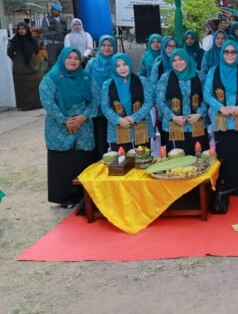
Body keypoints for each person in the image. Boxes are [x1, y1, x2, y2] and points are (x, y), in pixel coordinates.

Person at [39, 47, 97, 208]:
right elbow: (47, 102)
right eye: (69, 57)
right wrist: (66, 120)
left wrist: (83, 116)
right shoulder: (52, 78)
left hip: (83, 124)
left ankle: (82, 195)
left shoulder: (86, 76)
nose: (73, 61)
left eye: (76, 58)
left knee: (81, 159)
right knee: (63, 162)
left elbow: (95, 98)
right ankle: (64, 197)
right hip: (59, 125)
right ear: (62, 59)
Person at [203, 40, 238, 197]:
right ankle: (225, 182)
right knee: (224, 152)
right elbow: (207, 94)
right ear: (222, 53)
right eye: (227, 52)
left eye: (233, 52)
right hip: (221, 119)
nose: (230, 55)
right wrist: (222, 108)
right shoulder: (214, 71)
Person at [156, 48, 208, 155]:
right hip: (175, 126)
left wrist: (199, 114)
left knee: (199, 160)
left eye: (181, 59)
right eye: (174, 60)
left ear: (187, 59)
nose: (177, 63)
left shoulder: (200, 76)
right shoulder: (165, 78)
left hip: (196, 125)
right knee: (177, 162)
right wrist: (173, 117)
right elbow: (160, 101)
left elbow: (206, 98)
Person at [100, 53, 154, 151]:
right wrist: (119, 120)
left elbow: (149, 102)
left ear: (130, 64)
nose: (122, 68)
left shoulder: (143, 81)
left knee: (143, 161)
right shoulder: (107, 85)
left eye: (125, 64)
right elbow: (105, 107)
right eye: (117, 66)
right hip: (118, 132)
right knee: (121, 163)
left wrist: (134, 118)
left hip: (141, 130)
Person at [86, 35, 117, 155]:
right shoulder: (91, 64)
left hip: (115, 107)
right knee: (99, 136)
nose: (107, 48)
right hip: (96, 107)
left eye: (110, 45)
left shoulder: (118, 62)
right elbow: (86, 83)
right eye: (103, 45)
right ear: (99, 47)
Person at [7, 22, 43, 110]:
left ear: (27, 29)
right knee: (22, 89)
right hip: (20, 70)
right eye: (19, 29)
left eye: (23, 29)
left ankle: (37, 104)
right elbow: (9, 52)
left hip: (33, 67)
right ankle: (24, 106)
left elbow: (37, 50)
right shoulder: (14, 41)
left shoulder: (33, 40)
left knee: (37, 84)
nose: (21, 31)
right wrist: (17, 60)